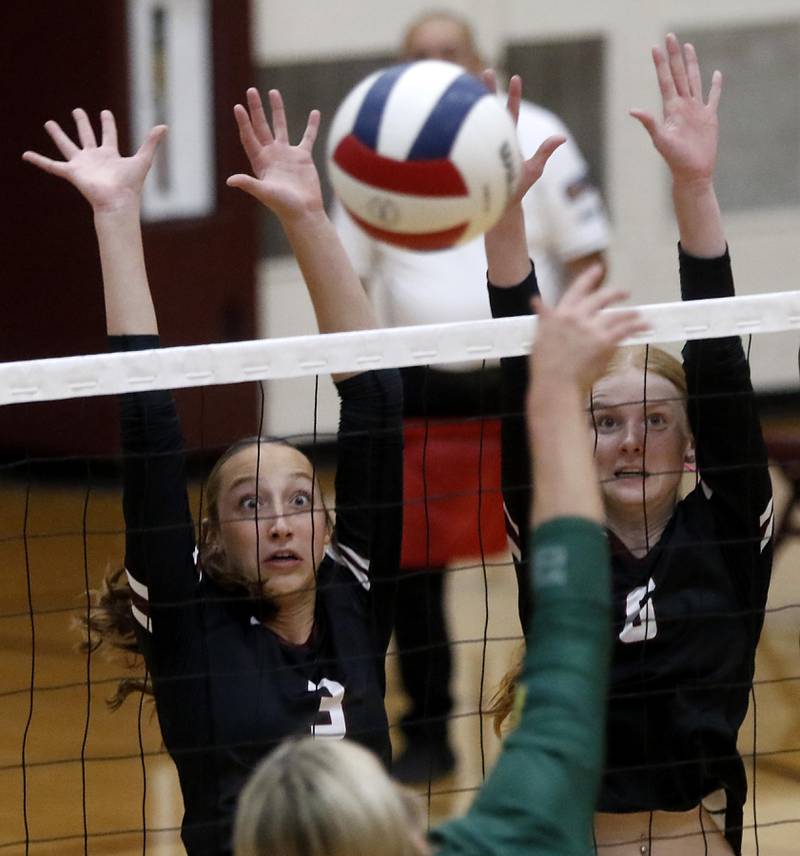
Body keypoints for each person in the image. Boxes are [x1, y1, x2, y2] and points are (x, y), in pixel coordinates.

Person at [232, 90, 647, 856]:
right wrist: (555, 393)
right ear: (402, 816)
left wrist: (304, 218)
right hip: (439, 388)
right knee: (432, 588)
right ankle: (427, 721)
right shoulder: (518, 834)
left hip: (486, 383)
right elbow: (570, 642)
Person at [23, 88, 403, 855]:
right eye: (252, 505)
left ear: (327, 525)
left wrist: (306, 217)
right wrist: (115, 219)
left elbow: (376, 399)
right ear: (212, 544)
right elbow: (149, 432)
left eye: (301, 499)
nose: (283, 520)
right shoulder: (189, 623)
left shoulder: (353, 596)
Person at [491, 35, 774, 855]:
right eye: (606, 421)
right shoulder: (557, 546)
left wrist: (693, 183)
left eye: (655, 422)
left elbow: (718, 361)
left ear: (693, 451)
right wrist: (506, 216)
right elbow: (523, 372)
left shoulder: (727, 536)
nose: (630, 442)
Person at [331, 7, 612, 784]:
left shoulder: (536, 129)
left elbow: (588, 252)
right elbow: (346, 272)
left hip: (526, 383)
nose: (439, 63)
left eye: (450, 51)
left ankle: (553, 724)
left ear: (478, 56)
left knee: (546, 554)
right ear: (400, 66)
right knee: (410, 576)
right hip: (421, 390)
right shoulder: (371, 145)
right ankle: (427, 732)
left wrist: (580, 371)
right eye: (421, 54)